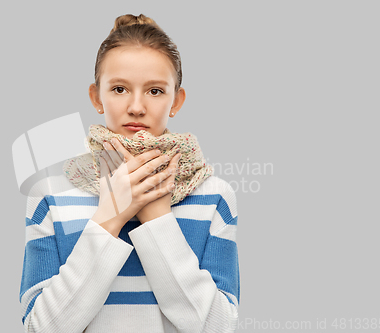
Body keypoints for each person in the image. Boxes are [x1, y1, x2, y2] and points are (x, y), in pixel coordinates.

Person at [19, 14, 240, 333]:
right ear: (97, 97)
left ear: (176, 100)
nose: (136, 107)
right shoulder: (50, 194)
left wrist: (157, 217)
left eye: (155, 91)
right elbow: (41, 328)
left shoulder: (214, 195)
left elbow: (218, 327)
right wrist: (110, 215)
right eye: (120, 89)